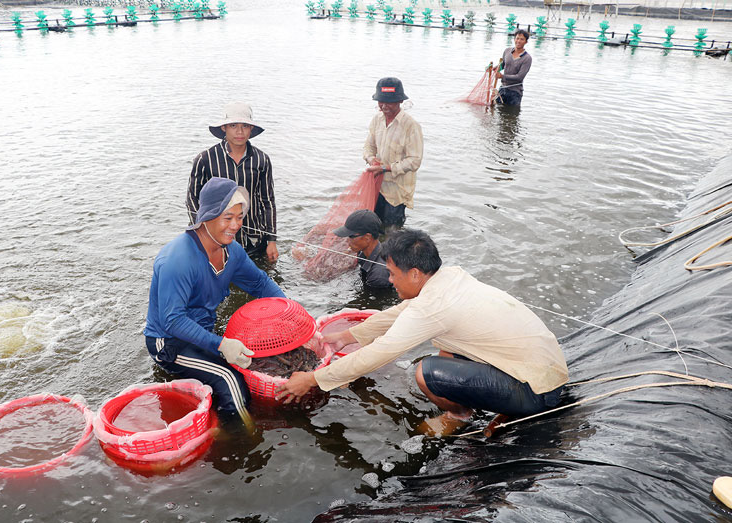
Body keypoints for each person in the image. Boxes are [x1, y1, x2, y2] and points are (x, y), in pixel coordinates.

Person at [276, 229, 568, 436]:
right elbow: (400, 313)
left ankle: (459, 416)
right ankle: (489, 403)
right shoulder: (449, 278)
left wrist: (314, 379)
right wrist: (346, 336)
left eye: (393, 274)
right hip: (548, 370)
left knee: (427, 371)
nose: (389, 281)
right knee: (446, 350)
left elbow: (380, 354)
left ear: (415, 273)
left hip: (538, 392)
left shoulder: (431, 308)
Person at [146, 177, 286, 422]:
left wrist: (290, 311)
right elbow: (173, 321)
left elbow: (260, 283)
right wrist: (222, 345)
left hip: (203, 329)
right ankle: (245, 441)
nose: (235, 225)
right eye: (227, 217)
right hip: (169, 341)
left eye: (239, 217)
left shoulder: (232, 251)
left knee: (257, 361)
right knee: (229, 379)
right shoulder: (177, 260)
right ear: (207, 216)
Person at [186, 102, 279, 262]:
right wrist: (202, 232)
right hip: (216, 239)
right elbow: (192, 200)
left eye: (245, 126)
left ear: (251, 129)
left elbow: (268, 201)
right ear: (224, 128)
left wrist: (271, 240)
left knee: (258, 281)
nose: (240, 131)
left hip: (254, 239)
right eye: (233, 125)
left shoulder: (261, 160)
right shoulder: (205, 159)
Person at [363, 77, 423, 229]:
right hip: (376, 187)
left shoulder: (411, 126)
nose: (383, 106)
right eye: (380, 101)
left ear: (400, 101)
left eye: (389, 102)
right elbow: (368, 147)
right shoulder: (377, 120)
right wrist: (371, 160)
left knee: (392, 235)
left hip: (397, 192)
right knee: (372, 230)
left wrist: (385, 168)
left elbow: (414, 160)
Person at [332, 209, 391, 289]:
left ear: (367, 237)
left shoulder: (378, 275)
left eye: (351, 236)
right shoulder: (363, 252)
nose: (347, 241)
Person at [496, 30, 532, 106]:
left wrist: (502, 76)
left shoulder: (527, 58)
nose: (518, 41)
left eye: (522, 39)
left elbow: (519, 77)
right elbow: (503, 64)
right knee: (498, 113)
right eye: (517, 38)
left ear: (526, 42)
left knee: (512, 116)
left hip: (515, 92)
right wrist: (495, 68)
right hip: (503, 88)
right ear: (514, 39)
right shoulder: (507, 51)